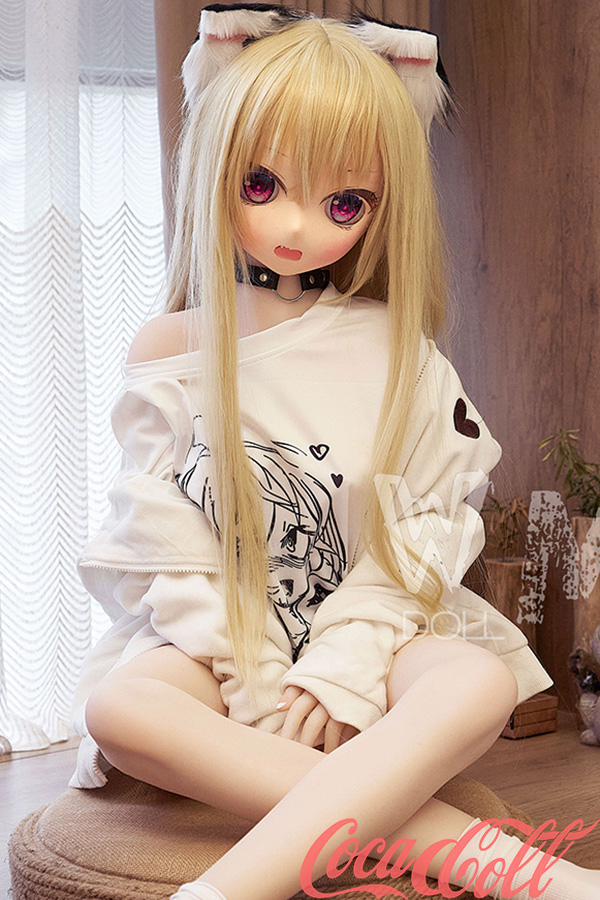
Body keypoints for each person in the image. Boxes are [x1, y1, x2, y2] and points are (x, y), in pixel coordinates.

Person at [69, 6, 599, 900]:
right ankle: (516, 872)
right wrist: (253, 679)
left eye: (344, 203)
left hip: (373, 637)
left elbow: (425, 528)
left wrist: (342, 666)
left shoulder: (396, 348)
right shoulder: (173, 346)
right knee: (122, 707)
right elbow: (160, 539)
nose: (298, 226)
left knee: (474, 681)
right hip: (212, 646)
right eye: (262, 184)